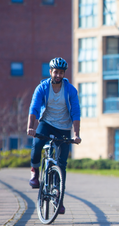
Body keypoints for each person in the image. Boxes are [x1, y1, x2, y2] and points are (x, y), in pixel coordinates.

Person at [27, 57, 82, 214]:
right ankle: (35, 171)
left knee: (62, 164)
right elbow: (34, 107)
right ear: (50, 72)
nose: (58, 75)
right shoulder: (42, 88)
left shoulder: (70, 90)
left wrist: (76, 134)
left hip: (64, 127)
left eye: (61, 72)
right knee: (37, 145)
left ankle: (59, 200)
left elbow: (76, 112)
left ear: (64, 74)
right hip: (47, 123)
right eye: (55, 72)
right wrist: (30, 127)